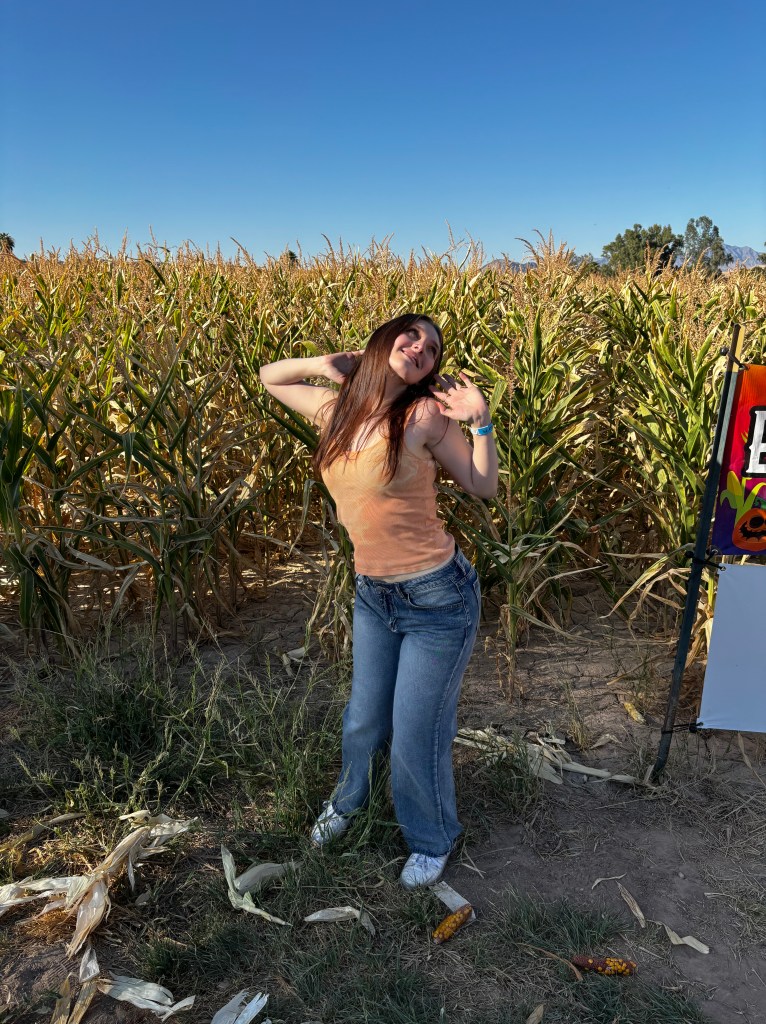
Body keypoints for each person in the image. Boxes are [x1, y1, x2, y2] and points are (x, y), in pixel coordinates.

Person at [259, 313, 499, 888]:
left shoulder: (424, 416)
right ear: (385, 338)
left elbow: (482, 485)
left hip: (437, 598)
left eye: (432, 348)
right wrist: (325, 365)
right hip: (373, 594)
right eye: (411, 335)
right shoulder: (335, 411)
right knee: (364, 718)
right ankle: (349, 802)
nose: (420, 348)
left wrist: (482, 422)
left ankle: (431, 837)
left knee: (417, 730)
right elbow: (270, 376)